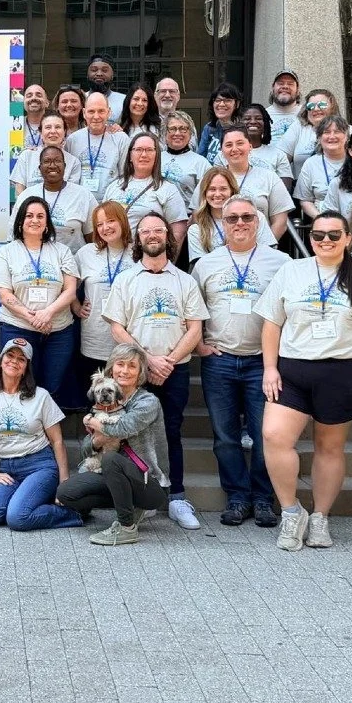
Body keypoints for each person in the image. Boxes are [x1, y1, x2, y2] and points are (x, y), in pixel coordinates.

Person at [255, 211, 352, 552]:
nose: (325, 241)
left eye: (333, 235)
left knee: (329, 447)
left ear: (347, 238)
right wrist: (270, 368)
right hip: (293, 370)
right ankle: (291, 511)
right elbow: (272, 323)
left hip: (342, 371)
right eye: (318, 236)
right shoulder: (292, 270)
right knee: (274, 436)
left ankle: (320, 517)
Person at [102, 212, 208, 530]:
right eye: (145, 231)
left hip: (174, 369)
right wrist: (148, 361)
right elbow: (116, 327)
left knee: (171, 431)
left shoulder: (185, 280)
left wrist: (168, 362)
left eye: (158, 230)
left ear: (167, 236)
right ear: (138, 239)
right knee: (132, 434)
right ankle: (142, 496)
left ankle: (175, 497)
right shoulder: (126, 280)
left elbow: (195, 329)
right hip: (135, 372)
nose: (152, 235)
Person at [192, 196, 290, 528]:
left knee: (266, 436)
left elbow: (290, 313)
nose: (239, 223)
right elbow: (193, 312)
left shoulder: (281, 263)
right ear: (222, 223)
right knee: (226, 436)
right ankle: (237, 497)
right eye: (231, 218)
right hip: (219, 361)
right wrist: (201, 346)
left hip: (262, 364)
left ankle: (263, 499)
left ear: (258, 221)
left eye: (247, 217)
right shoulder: (206, 264)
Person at [54, 344, 170, 544]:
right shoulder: (101, 404)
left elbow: (122, 428)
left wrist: (92, 421)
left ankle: (126, 527)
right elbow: (85, 449)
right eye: (120, 364)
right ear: (111, 368)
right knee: (66, 493)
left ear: (140, 372)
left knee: (111, 460)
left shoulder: (147, 402)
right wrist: (97, 439)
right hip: (115, 475)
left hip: (147, 480)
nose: (125, 370)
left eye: (132, 366)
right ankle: (127, 505)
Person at [0, 338, 82, 531]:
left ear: (27, 367)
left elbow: (57, 441)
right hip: (7, 467)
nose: (14, 361)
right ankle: (25, 500)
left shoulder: (40, 395)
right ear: (1, 360)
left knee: (18, 518)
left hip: (40, 465)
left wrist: (64, 484)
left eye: (22, 359)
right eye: (10, 355)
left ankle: (74, 513)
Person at [0, 195, 80, 401]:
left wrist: (47, 314)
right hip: (17, 327)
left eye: (41, 216)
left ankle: (46, 431)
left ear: (47, 223)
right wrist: (33, 318)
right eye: (29, 215)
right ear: (20, 221)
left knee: (52, 387)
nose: (35, 220)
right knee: (19, 384)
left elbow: (70, 291)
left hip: (58, 331)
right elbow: (4, 294)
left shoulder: (62, 251)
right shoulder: (7, 252)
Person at [72, 202, 132, 383]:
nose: (105, 228)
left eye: (111, 221)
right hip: (95, 338)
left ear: (122, 221)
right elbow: (68, 286)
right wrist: (76, 306)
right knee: (95, 397)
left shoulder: (138, 252)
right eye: (99, 224)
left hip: (129, 337)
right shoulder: (86, 253)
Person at [104, 132, 188, 245]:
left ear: (157, 156)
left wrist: (164, 260)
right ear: (130, 156)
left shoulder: (168, 189)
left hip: (148, 257)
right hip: (116, 255)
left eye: (149, 150)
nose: (144, 154)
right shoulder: (114, 186)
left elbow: (178, 231)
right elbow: (102, 221)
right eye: (138, 149)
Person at [216, 127, 294, 240]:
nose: (234, 149)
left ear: (250, 146)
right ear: (222, 151)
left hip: (260, 249)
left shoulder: (269, 177)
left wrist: (263, 249)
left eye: (240, 143)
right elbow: (199, 216)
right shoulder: (212, 178)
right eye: (228, 145)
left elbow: (280, 222)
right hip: (219, 249)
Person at [17, 145, 97, 255]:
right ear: (40, 168)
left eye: (57, 161)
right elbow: (15, 236)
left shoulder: (83, 195)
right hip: (35, 262)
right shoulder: (26, 195)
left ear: (65, 166)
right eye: (47, 161)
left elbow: (92, 238)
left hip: (73, 263)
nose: (52, 165)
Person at [187, 167, 280, 260]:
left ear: (232, 190)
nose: (217, 194)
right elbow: (201, 268)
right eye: (212, 189)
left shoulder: (255, 217)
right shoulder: (196, 229)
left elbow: (270, 255)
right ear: (204, 193)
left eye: (223, 189)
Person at [66, 92, 130, 197]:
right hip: (79, 203)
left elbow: (125, 176)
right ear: (84, 113)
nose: (96, 116)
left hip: (110, 204)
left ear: (109, 112)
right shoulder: (72, 140)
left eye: (101, 111)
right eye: (91, 111)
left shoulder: (121, 139)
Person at [278, 87, 345, 179]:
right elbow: (279, 160)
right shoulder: (298, 128)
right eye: (310, 106)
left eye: (321, 105)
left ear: (332, 106)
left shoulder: (348, 131)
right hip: (302, 188)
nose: (316, 109)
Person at [216, 105, 293, 184]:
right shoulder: (223, 155)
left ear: (265, 123)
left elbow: (284, 190)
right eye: (247, 119)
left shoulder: (278, 155)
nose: (253, 122)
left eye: (258, 118)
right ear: (239, 123)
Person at [295, 115, 351, 219]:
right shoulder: (311, 163)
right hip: (322, 222)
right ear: (319, 137)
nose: (332, 136)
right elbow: (305, 200)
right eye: (326, 132)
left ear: (346, 137)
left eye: (337, 131)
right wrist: (322, 219)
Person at [10, 111, 81, 193]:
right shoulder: (27, 156)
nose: (53, 131)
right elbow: (19, 190)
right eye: (48, 127)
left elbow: (72, 194)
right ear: (40, 132)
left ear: (64, 131)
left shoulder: (74, 162)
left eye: (57, 127)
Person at [161, 111, 210, 210]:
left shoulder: (200, 163)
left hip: (188, 219)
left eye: (183, 129)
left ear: (190, 133)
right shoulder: (156, 158)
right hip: (158, 218)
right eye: (172, 129)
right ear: (165, 133)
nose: (177, 133)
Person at [197, 81, 242, 162]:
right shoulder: (209, 128)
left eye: (227, 100)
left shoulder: (243, 129)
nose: (221, 104)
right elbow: (200, 158)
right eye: (217, 100)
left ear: (237, 104)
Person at [266, 68, 302, 147]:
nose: (285, 86)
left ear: (298, 89)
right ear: (273, 87)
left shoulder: (306, 114)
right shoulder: (262, 115)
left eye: (290, 84)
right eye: (280, 83)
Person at [86, 53, 125, 120]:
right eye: (94, 70)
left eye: (104, 70)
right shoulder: (78, 100)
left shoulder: (124, 101)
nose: (99, 74)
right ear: (87, 75)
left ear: (113, 75)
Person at [19, 84, 48, 150]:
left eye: (39, 95)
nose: (33, 98)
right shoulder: (14, 125)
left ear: (47, 103)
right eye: (29, 96)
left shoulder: (55, 125)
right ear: (23, 103)